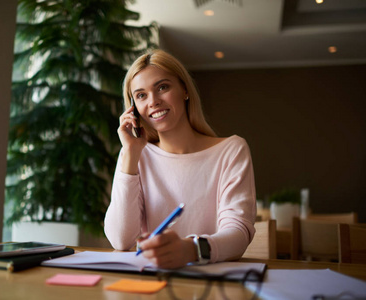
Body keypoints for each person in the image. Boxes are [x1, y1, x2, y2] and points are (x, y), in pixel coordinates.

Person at [104, 49, 256, 269]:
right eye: (141, 95)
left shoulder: (231, 150)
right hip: (150, 283)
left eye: (162, 87)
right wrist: (130, 155)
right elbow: (120, 240)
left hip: (210, 283)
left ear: (184, 89)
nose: (153, 101)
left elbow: (238, 233)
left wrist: (191, 250)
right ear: (133, 109)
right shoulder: (134, 154)